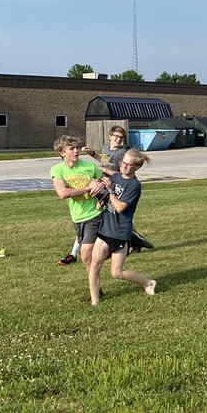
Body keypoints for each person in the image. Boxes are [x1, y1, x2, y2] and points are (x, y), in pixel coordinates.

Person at [88, 149, 156, 306]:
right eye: (123, 163)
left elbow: (119, 207)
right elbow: (106, 171)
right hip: (105, 229)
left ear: (136, 167)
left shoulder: (134, 186)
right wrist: (103, 200)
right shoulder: (117, 176)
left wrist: (110, 190)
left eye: (128, 164)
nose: (124, 166)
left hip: (120, 233)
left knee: (116, 272)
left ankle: (148, 282)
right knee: (94, 265)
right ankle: (95, 302)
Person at [78, 125, 155, 257]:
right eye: (116, 136)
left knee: (112, 215)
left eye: (121, 137)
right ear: (110, 136)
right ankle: (133, 239)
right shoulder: (106, 148)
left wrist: (109, 181)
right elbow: (104, 160)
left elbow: (122, 171)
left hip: (114, 185)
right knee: (107, 215)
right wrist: (91, 154)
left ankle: (131, 238)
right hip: (105, 182)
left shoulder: (123, 152)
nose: (119, 139)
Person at [49, 135, 107, 274]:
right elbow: (62, 193)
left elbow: (106, 179)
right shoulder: (57, 170)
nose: (76, 151)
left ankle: (96, 288)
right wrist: (88, 188)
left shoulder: (89, 166)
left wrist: (100, 184)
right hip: (77, 217)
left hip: (95, 213)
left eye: (76, 148)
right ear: (62, 153)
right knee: (89, 257)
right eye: (71, 148)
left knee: (86, 254)